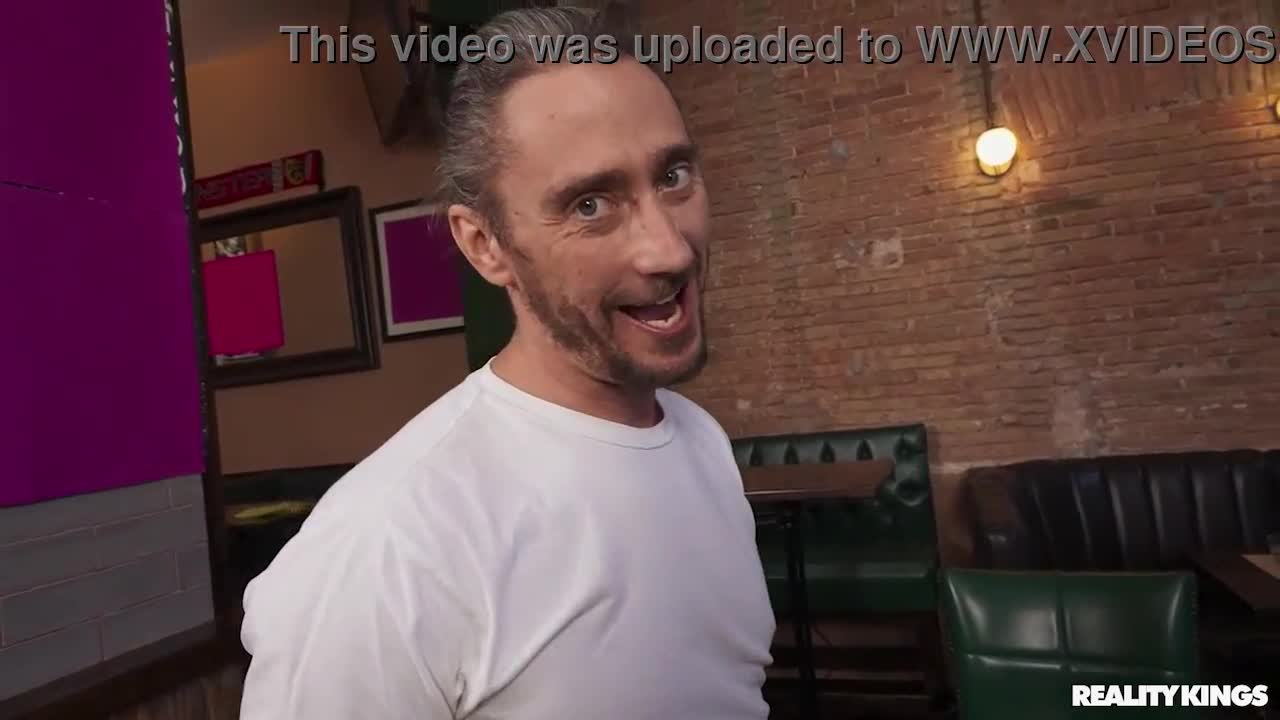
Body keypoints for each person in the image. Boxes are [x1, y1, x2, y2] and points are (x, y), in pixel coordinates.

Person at [238, 6, 776, 719]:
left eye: (674, 175)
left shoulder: (701, 443)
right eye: (590, 205)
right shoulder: (387, 546)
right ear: (484, 245)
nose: (670, 250)